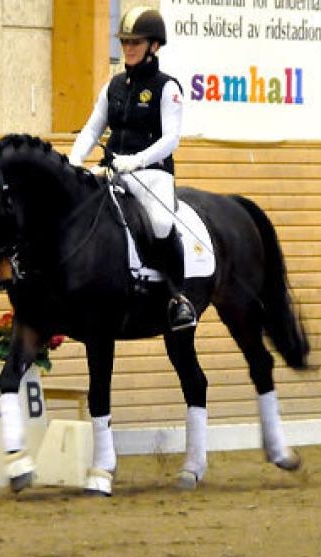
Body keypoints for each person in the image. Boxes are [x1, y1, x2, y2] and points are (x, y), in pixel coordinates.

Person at [67, 5, 197, 332]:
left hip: (153, 173)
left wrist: (137, 160)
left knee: (160, 222)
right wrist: (73, 160)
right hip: (112, 169)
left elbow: (171, 139)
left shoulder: (167, 87)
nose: (128, 48)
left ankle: (176, 297)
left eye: (135, 42)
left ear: (154, 45)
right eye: (124, 42)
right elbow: (92, 129)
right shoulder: (113, 86)